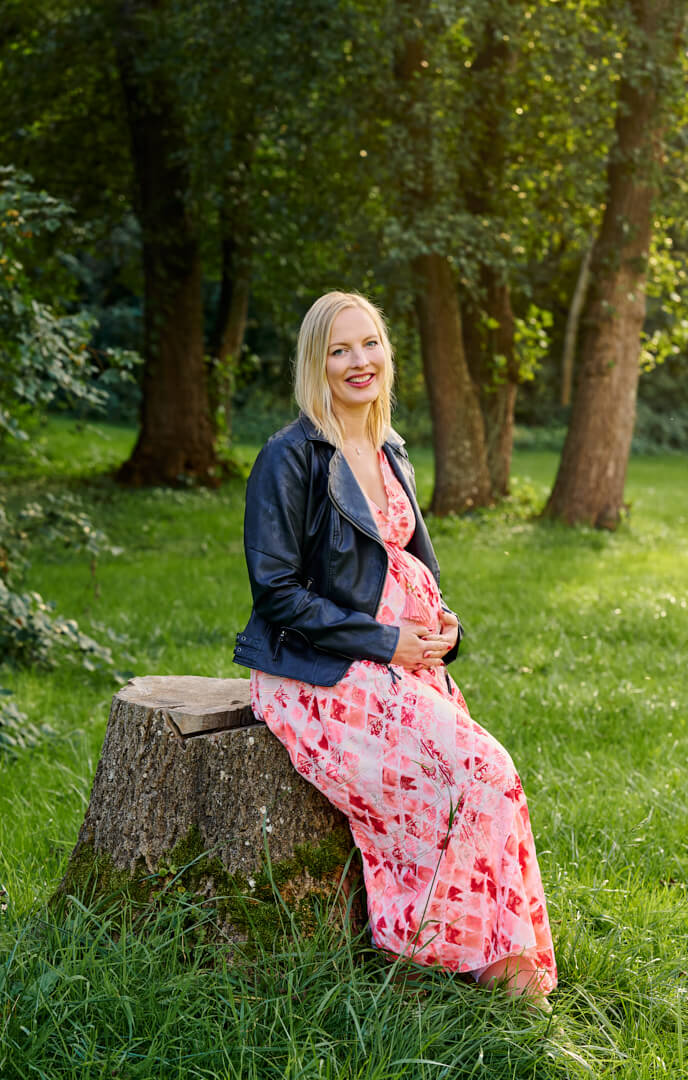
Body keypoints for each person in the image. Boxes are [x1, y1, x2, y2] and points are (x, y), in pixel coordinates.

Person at [233, 290, 557, 1004]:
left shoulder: (390, 449)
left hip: (401, 661)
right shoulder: (289, 458)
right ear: (316, 363)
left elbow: (418, 566)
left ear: (386, 353)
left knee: (483, 779)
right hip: (317, 674)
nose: (359, 361)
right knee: (485, 771)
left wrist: (448, 628)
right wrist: (385, 642)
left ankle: (499, 961)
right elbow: (276, 593)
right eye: (339, 349)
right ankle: (433, 951)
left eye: (370, 343)